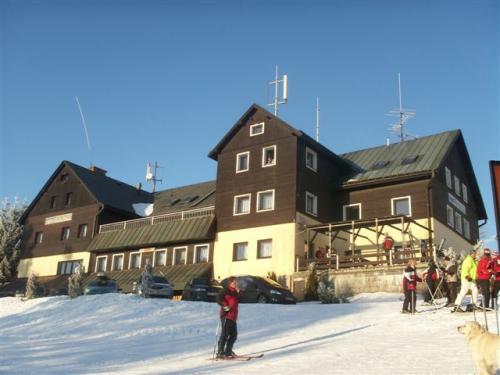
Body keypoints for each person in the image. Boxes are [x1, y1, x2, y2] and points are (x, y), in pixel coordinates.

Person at [216, 276, 240, 359]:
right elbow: (219, 298)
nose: (236, 283)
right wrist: (224, 305)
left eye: (236, 282)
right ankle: (220, 352)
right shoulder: (225, 290)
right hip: (226, 315)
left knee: (234, 335)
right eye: (234, 282)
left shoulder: (235, 292)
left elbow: (235, 302)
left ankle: (228, 351)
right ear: (230, 283)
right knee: (225, 335)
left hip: (233, 316)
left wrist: (239, 292)